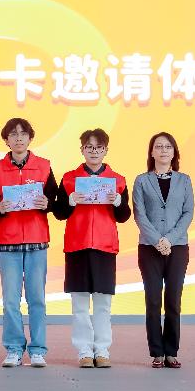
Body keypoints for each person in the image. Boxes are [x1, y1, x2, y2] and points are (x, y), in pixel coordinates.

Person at [54, 129, 131, 368]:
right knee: (79, 303)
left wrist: (118, 202)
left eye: (98, 147)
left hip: (105, 246)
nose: (94, 151)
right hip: (77, 245)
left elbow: (124, 216)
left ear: (106, 150)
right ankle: (84, 350)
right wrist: (70, 201)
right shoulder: (69, 179)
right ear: (82, 150)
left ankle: (102, 350)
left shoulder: (117, 180)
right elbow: (59, 213)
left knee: (103, 304)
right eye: (89, 147)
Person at [0, 118, 58, 368]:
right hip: (8, 242)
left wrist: (47, 204)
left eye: (23, 134)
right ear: (6, 140)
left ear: (30, 138)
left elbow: (55, 200)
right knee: (10, 300)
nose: (18, 138)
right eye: (13, 134)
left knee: (37, 298)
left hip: (37, 241)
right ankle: (14, 349)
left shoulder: (44, 166)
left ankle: (38, 349)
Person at [132, 132, 194, 369]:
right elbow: (139, 214)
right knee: (153, 300)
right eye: (158, 146)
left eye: (168, 147)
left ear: (174, 152)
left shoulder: (184, 180)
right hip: (149, 247)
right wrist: (157, 240)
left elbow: (188, 212)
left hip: (177, 246)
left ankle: (171, 352)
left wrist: (169, 239)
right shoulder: (142, 180)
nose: (163, 150)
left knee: (173, 300)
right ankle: (157, 352)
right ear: (152, 152)